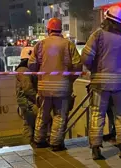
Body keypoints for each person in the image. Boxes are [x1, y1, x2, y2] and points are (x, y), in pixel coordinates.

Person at [82, 6, 121, 159]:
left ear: (106, 17)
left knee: (97, 114)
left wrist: (93, 68)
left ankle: (96, 149)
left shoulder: (98, 35)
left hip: (100, 82)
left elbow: (86, 58)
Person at [28, 17, 82, 151]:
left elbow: (32, 64)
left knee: (43, 114)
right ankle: (56, 143)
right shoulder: (68, 44)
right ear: (60, 29)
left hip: (44, 88)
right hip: (62, 88)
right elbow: (78, 65)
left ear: (48, 29)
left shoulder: (40, 45)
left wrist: (40, 78)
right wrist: (70, 80)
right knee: (60, 115)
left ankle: (39, 141)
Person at [16, 46, 38, 144]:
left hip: (26, 102)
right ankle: (28, 147)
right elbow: (28, 89)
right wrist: (38, 98)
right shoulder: (24, 70)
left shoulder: (23, 69)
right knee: (30, 127)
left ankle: (28, 148)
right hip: (29, 103)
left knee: (28, 125)